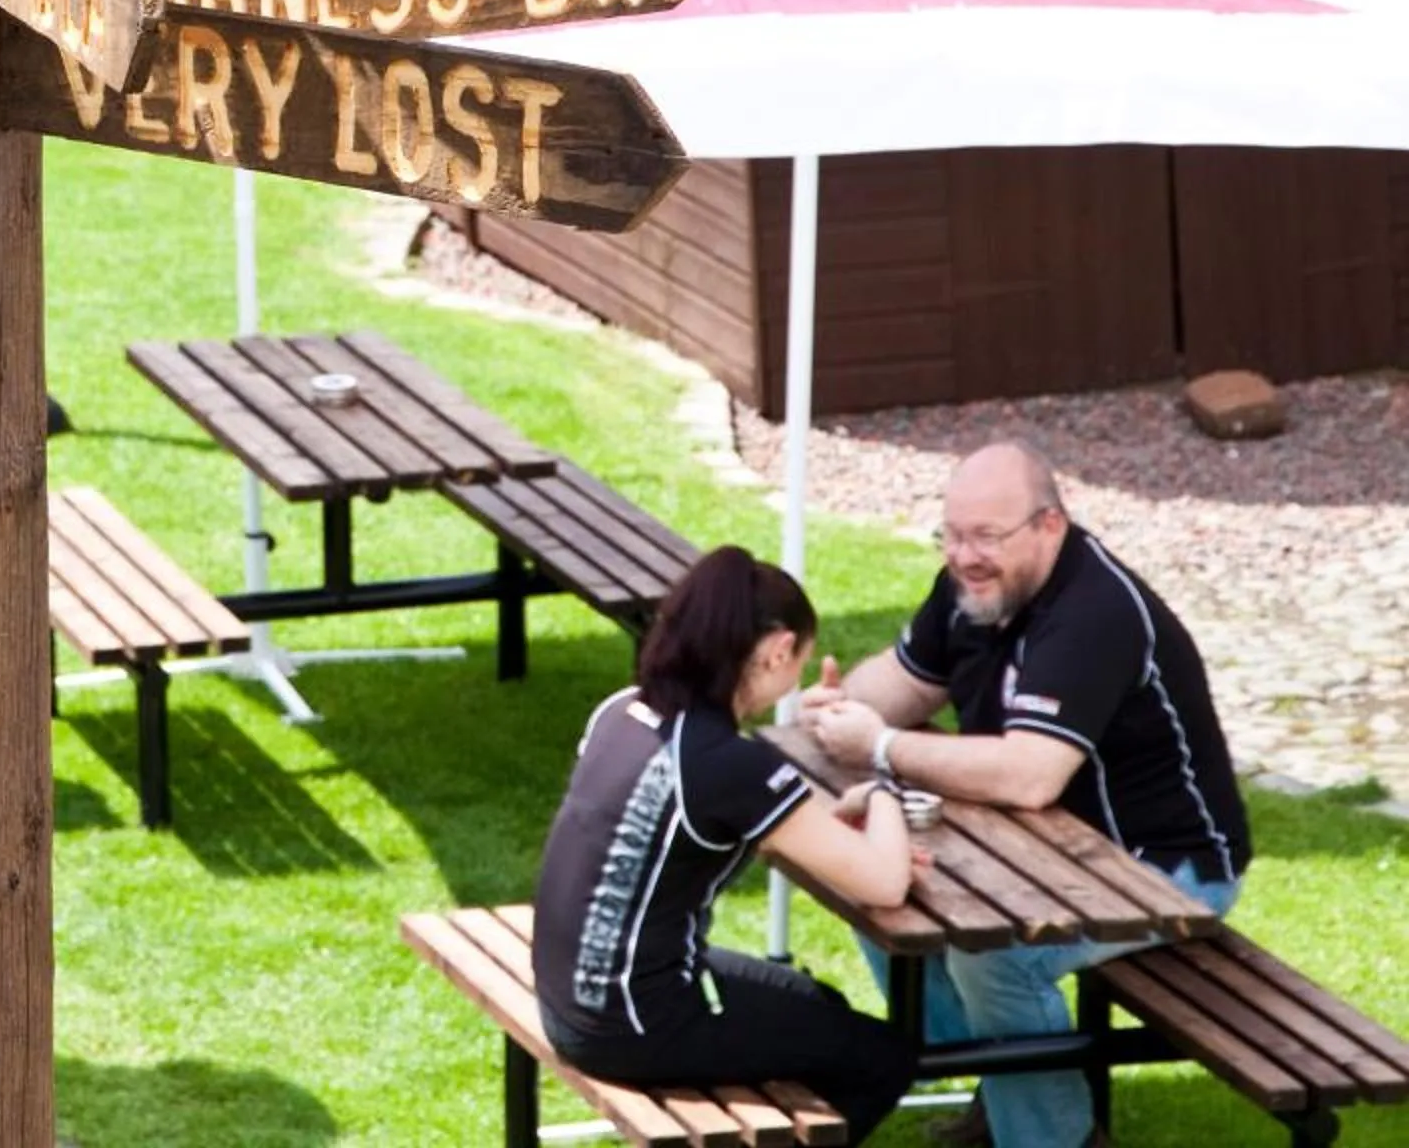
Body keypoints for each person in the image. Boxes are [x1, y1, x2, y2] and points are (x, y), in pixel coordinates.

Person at [803, 442, 1250, 1148]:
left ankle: (1053, 1137)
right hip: (1052, 847)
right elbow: (905, 681)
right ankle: (1002, 1078)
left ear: (1050, 525)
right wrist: (836, 707)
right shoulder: (974, 586)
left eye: (986, 536)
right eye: (951, 534)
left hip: (1166, 868)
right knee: (876, 881)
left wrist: (880, 746)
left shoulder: (1094, 613)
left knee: (997, 955)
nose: (964, 556)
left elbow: (1029, 775)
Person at [532, 546, 921, 1140]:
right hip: (637, 1021)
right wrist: (884, 788)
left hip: (574, 992)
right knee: (883, 1057)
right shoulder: (724, 763)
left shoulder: (624, 711)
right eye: (801, 660)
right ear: (777, 651)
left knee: (818, 1004)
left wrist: (831, 822)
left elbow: (697, 830)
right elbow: (886, 884)